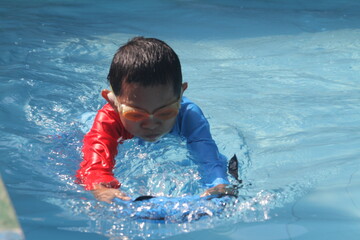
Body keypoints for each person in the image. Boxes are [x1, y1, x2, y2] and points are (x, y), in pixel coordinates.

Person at [76, 37, 234, 203]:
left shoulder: (188, 115)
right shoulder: (108, 120)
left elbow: (208, 156)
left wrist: (218, 183)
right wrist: (101, 188)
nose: (151, 124)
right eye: (135, 114)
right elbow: (94, 166)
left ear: (180, 96)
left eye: (165, 112)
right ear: (113, 102)